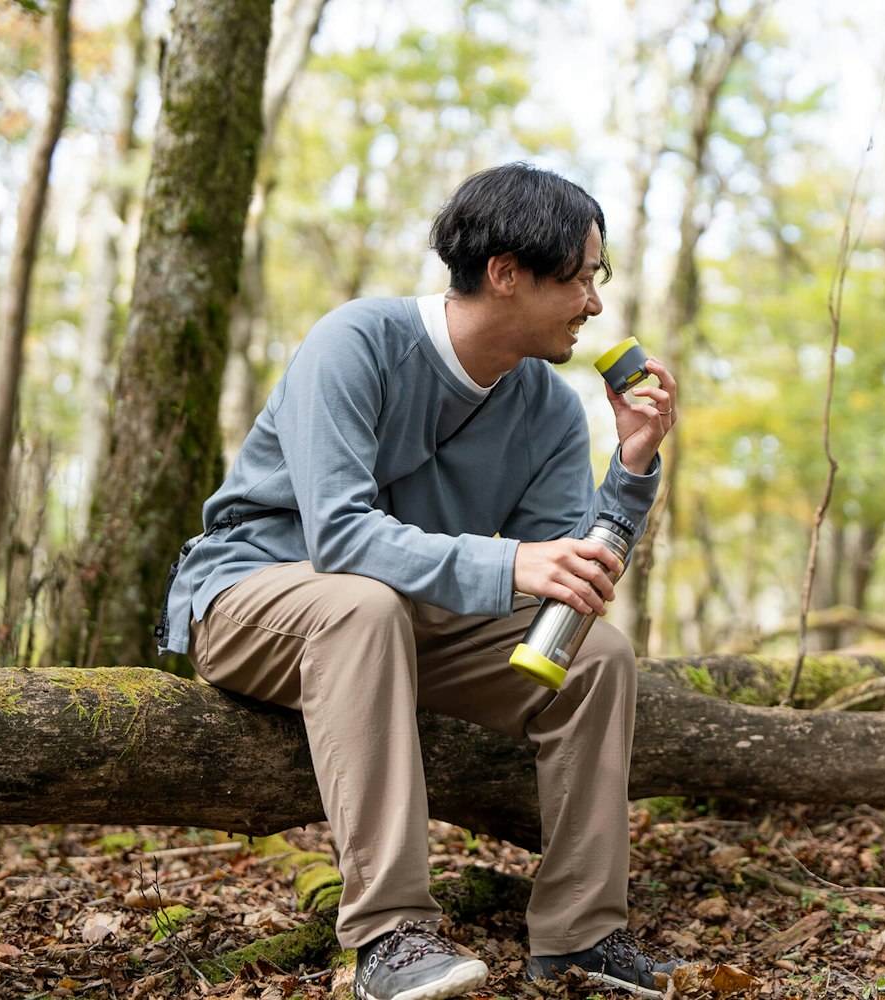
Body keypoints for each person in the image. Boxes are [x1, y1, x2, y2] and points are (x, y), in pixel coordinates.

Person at [159, 162, 680, 1000]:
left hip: (409, 619)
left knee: (596, 656)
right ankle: (389, 935)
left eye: (597, 278)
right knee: (360, 606)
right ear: (506, 273)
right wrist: (509, 561)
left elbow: (561, 581)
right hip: (256, 592)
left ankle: (582, 938)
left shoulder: (546, 407)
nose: (594, 302)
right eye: (580, 277)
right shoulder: (357, 342)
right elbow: (338, 535)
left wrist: (631, 467)